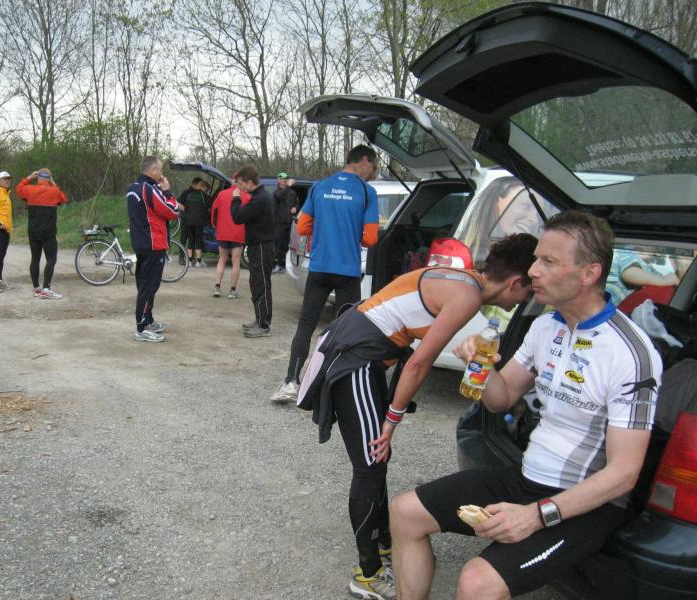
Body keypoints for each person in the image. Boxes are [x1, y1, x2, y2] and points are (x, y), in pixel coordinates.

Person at [389, 211, 662, 600]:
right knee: (405, 512)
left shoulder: (630, 353)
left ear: (589, 273)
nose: (533, 271)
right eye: (536, 259)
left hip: (586, 503)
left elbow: (623, 474)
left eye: (548, 261)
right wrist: (481, 365)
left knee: (476, 582)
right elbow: (501, 399)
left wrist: (535, 516)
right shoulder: (546, 326)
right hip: (528, 477)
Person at [297, 233, 539, 600]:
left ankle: (383, 545)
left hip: (364, 350)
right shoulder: (467, 296)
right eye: (528, 291)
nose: (525, 300)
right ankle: (368, 574)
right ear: (515, 282)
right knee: (370, 464)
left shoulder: (464, 279)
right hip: (356, 356)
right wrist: (391, 421)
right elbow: (419, 364)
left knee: (375, 462)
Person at [270, 145, 380, 403]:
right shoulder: (367, 192)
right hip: (347, 271)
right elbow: (371, 238)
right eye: (373, 168)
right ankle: (334, 387)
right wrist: (350, 232)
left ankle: (291, 382)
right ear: (364, 160)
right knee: (345, 329)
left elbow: (303, 226)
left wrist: (326, 230)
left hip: (319, 268)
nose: (372, 174)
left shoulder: (320, 186)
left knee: (306, 324)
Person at [126, 156, 181, 342]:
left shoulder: (133, 188)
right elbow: (172, 211)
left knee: (147, 285)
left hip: (141, 243)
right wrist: (167, 191)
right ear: (153, 171)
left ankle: (147, 320)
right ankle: (141, 328)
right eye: (160, 169)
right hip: (153, 244)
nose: (162, 173)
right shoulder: (148, 189)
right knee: (148, 286)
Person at [230, 165, 275, 338]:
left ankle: (263, 324)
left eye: (241, 184)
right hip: (258, 246)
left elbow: (238, 217)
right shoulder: (260, 196)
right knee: (256, 283)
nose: (240, 188)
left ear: (250, 182)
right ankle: (259, 319)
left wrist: (235, 199)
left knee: (261, 284)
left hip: (262, 246)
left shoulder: (260, 198)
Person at [16, 168, 68, 299]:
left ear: (38, 178)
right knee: (51, 258)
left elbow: (19, 189)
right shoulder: (54, 191)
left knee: (35, 258)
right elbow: (63, 199)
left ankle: (36, 288)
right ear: (49, 178)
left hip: (33, 230)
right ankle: (46, 289)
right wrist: (53, 183)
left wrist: (29, 177)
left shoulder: (30, 189)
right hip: (48, 231)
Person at [212, 175, 249, 299]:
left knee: (222, 259)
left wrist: (215, 224)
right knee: (236, 261)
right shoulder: (246, 196)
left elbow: (214, 210)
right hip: (238, 232)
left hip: (222, 232)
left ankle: (217, 287)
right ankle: (233, 291)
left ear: (232, 181)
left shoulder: (222, 194)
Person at [178, 177, 211, 268]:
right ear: (196, 184)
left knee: (191, 239)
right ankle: (182, 257)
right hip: (187, 219)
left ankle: (190, 259)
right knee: (185, 237)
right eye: (201, 184)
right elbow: (179, 203)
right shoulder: (187, 192)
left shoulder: (198, 194)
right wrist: (186, 210)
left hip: (190, 219)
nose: (202, 186)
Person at [272, 172, 298, 274]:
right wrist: (288, 186)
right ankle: (278, 265)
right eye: (282, 178)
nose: (284, 180)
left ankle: (287, 264)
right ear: (278, 180)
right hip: (279, 223)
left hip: (290, 223)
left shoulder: (292, 192)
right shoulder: (276, 192)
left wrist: (296, 208)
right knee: (279, 245)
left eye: (286, 178)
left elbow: (297, 203)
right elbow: (279, 196)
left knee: (289, 245)